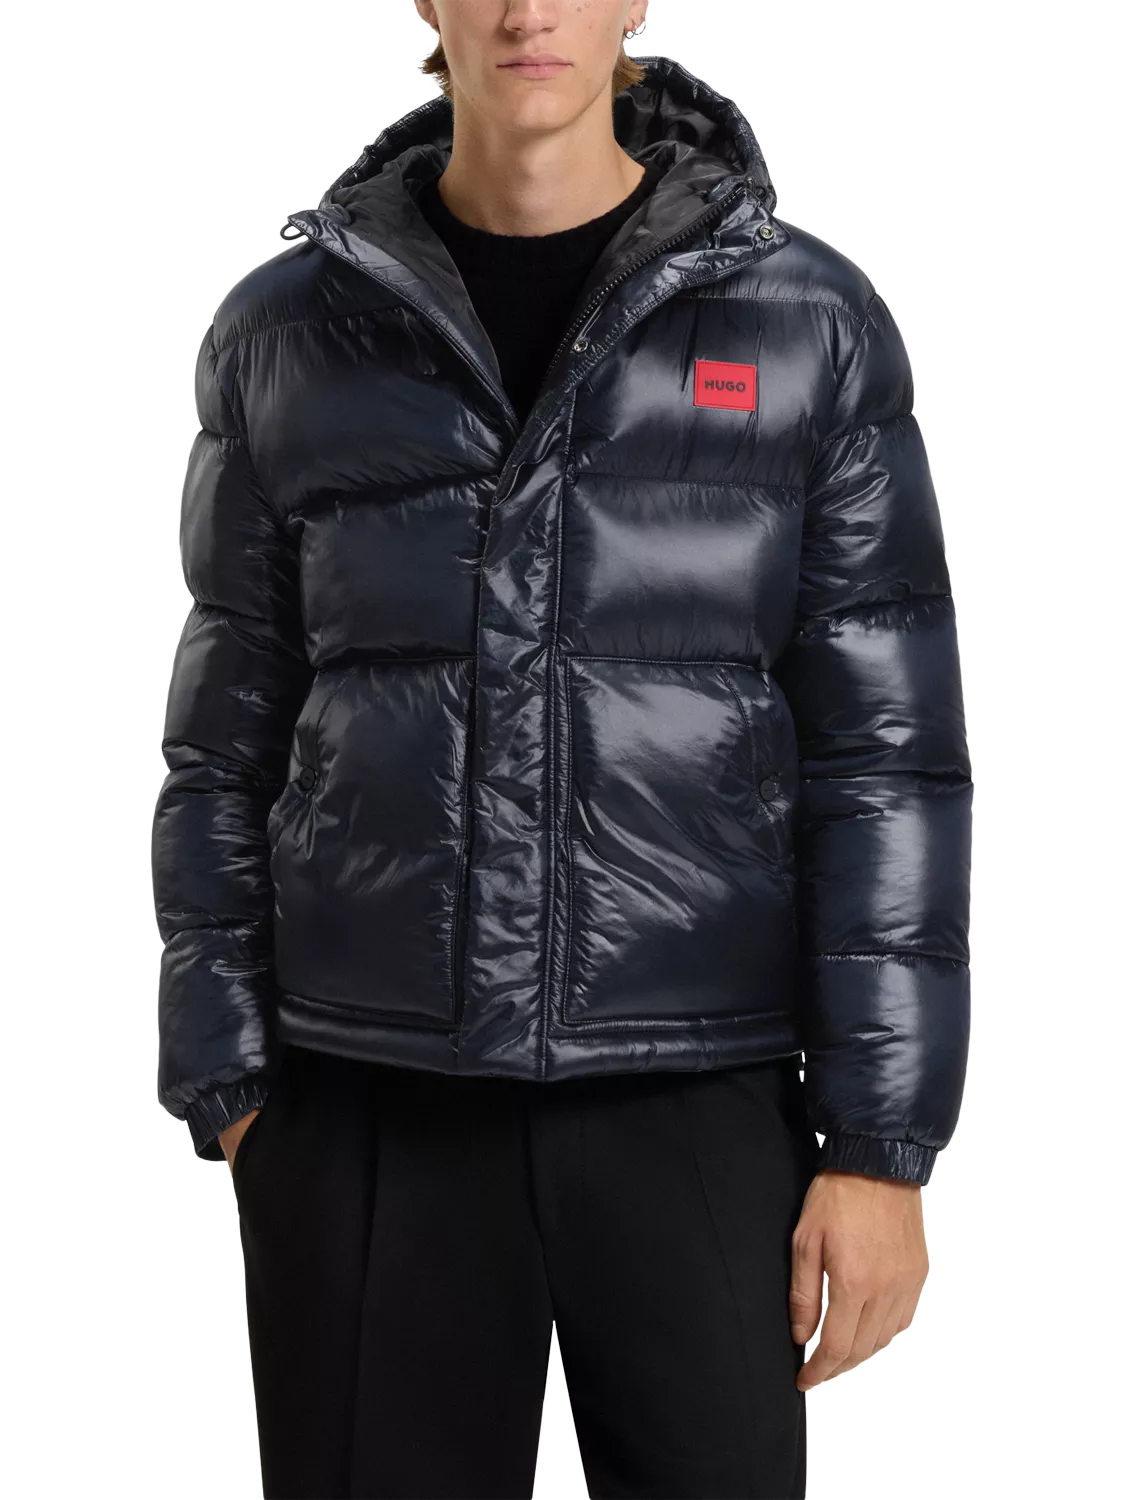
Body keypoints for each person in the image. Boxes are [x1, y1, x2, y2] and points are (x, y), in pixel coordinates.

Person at [150, 5, 974, 1497]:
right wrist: (234, 1085)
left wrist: (880, 1145)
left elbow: (887, 759)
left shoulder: (809, 325)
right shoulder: (288, 336)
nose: (529, 9)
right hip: (367, 1098)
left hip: (698, 1091)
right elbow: (223, 741)